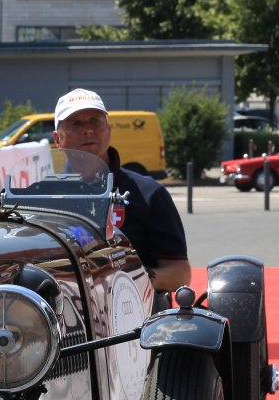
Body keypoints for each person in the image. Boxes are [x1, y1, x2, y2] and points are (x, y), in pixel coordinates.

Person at [52, 88, 191, 293]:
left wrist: (132, 278)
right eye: (76, 123)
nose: (88, 130)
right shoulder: (45, 197)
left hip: (135, 308)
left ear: (109, 131)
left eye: (95, 121)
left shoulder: (148, 193)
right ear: (57, 139)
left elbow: (179, 274)